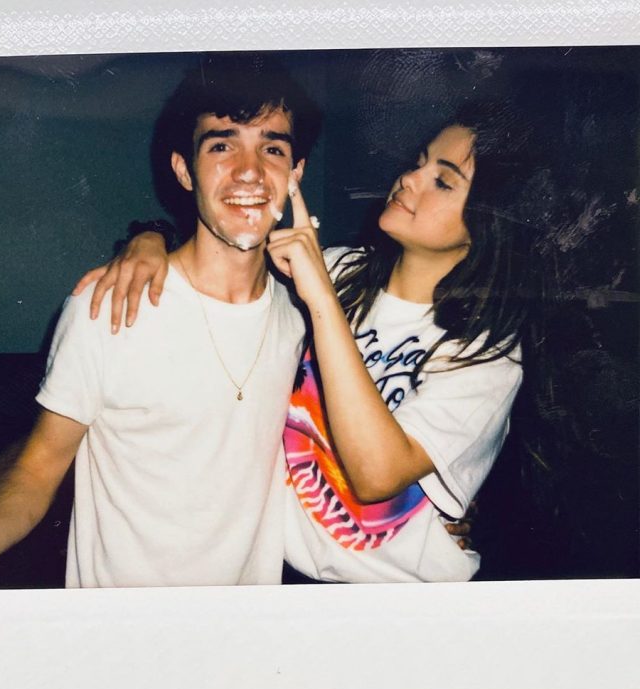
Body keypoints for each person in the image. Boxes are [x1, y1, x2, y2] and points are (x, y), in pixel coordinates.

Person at [0, 54, 322, 588]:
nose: (249, 170)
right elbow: (36, 469)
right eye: (221, 145)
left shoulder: (305, 316)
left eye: (273, 148)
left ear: (295, 173)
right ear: (184, 170)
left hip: (250, 628)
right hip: (118, 629)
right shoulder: (108, 307)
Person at [75, 102, 541, 582]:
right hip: (284, 575)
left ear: (490, 222)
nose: (408, 178)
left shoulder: (486, 354)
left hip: (397, 595)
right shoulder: (340, 270)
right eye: (418, 162)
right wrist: (149, 238)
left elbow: (377, 477)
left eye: (442, 181)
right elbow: (225, 247)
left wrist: (322, 299)